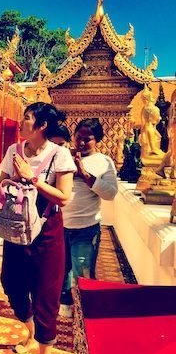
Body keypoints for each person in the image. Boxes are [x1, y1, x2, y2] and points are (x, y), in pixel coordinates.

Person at [0, 102, 76, 354]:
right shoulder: (13, 151)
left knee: (45, 296)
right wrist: (16, 179)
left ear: (42, 126)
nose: (21, 122)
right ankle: (30, 330)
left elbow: (64, 197)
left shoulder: (60, 155)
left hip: (48, 233)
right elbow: (0, 184)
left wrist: (33, 180)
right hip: (17, 229)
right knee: (12, 284)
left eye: (27, 118)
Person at [60, 118, 118, 315]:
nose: (82, 142)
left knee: (82, 271)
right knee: (61, 269)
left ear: (98, 140)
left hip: (86, 227)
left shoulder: (104, 162)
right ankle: (65, 301)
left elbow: (111, 193)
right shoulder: (63, 156)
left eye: (88, 139)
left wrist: (86, 177)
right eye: (79, 137)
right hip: (59, 225)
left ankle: (86, 310)